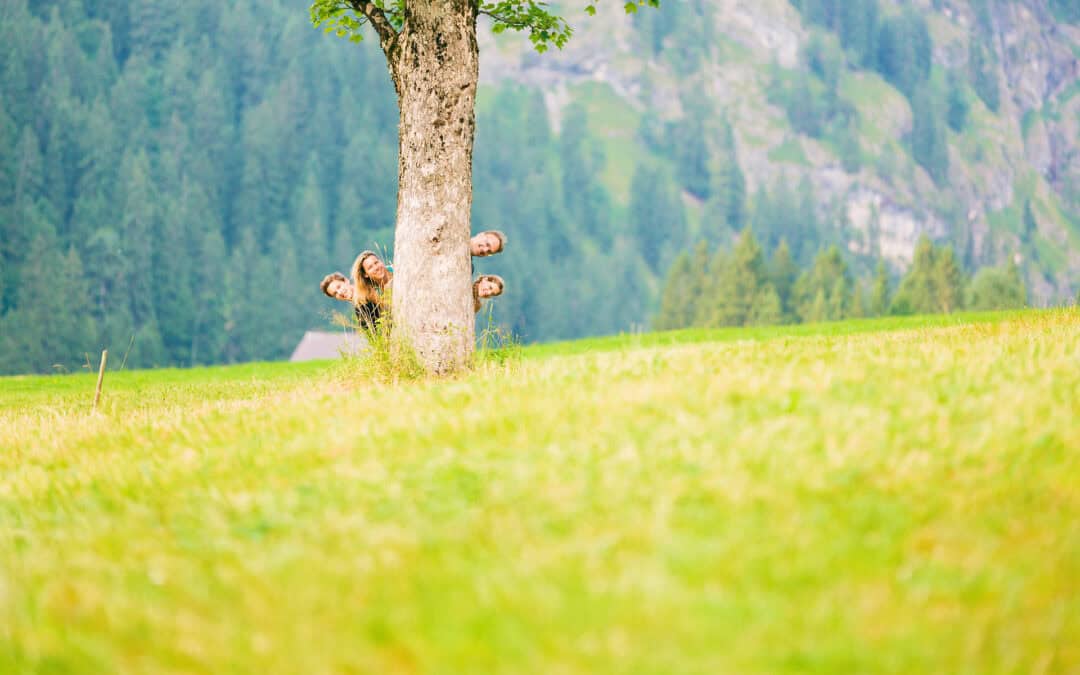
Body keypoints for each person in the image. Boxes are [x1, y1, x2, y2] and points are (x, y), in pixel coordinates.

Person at [350, 250, 393, 331]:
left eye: (376, 263)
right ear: (366, 274)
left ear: (381, 261)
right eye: (370, 267)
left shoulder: (398, 272)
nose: (376, 268)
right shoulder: (372, 294)